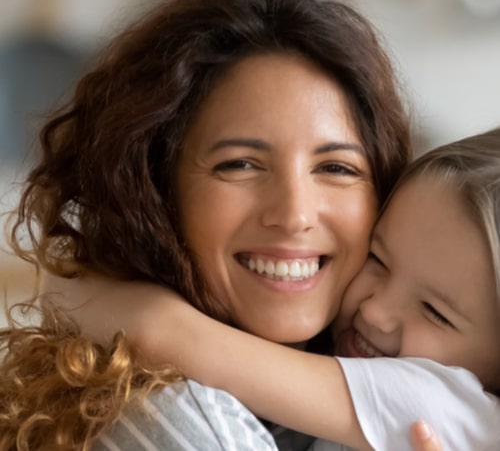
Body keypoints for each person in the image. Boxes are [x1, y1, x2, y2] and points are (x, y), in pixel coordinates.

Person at [0, 0, 440, 450]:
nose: (294, 215)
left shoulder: (383, 378)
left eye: (336, 167)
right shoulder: (190, 425)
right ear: (154, 189)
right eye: (239, 164)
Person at [105, 127, 500, 450]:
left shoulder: (446, 405)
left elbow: (165, 334)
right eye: (377, 259)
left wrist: (68, 283)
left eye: (435, 312)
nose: (375, 311)